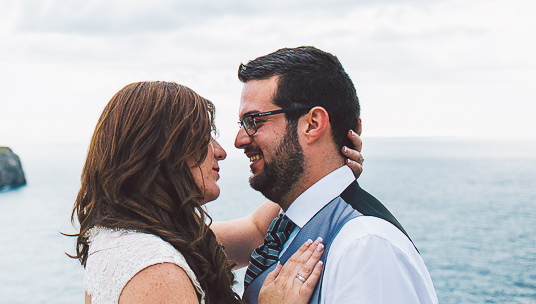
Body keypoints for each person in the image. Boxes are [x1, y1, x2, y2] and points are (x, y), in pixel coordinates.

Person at [71, 81, 363, 304]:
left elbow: (257, 230)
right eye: (204, 137)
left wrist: (325, 165)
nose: (221, 152)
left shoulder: (139, 237)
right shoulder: (155, 271)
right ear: (161, 153)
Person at [234, 46, 437, 304]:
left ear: (313, 124)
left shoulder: (364, 246)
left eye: (254, 121)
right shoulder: (291, 226)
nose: (239, 140)